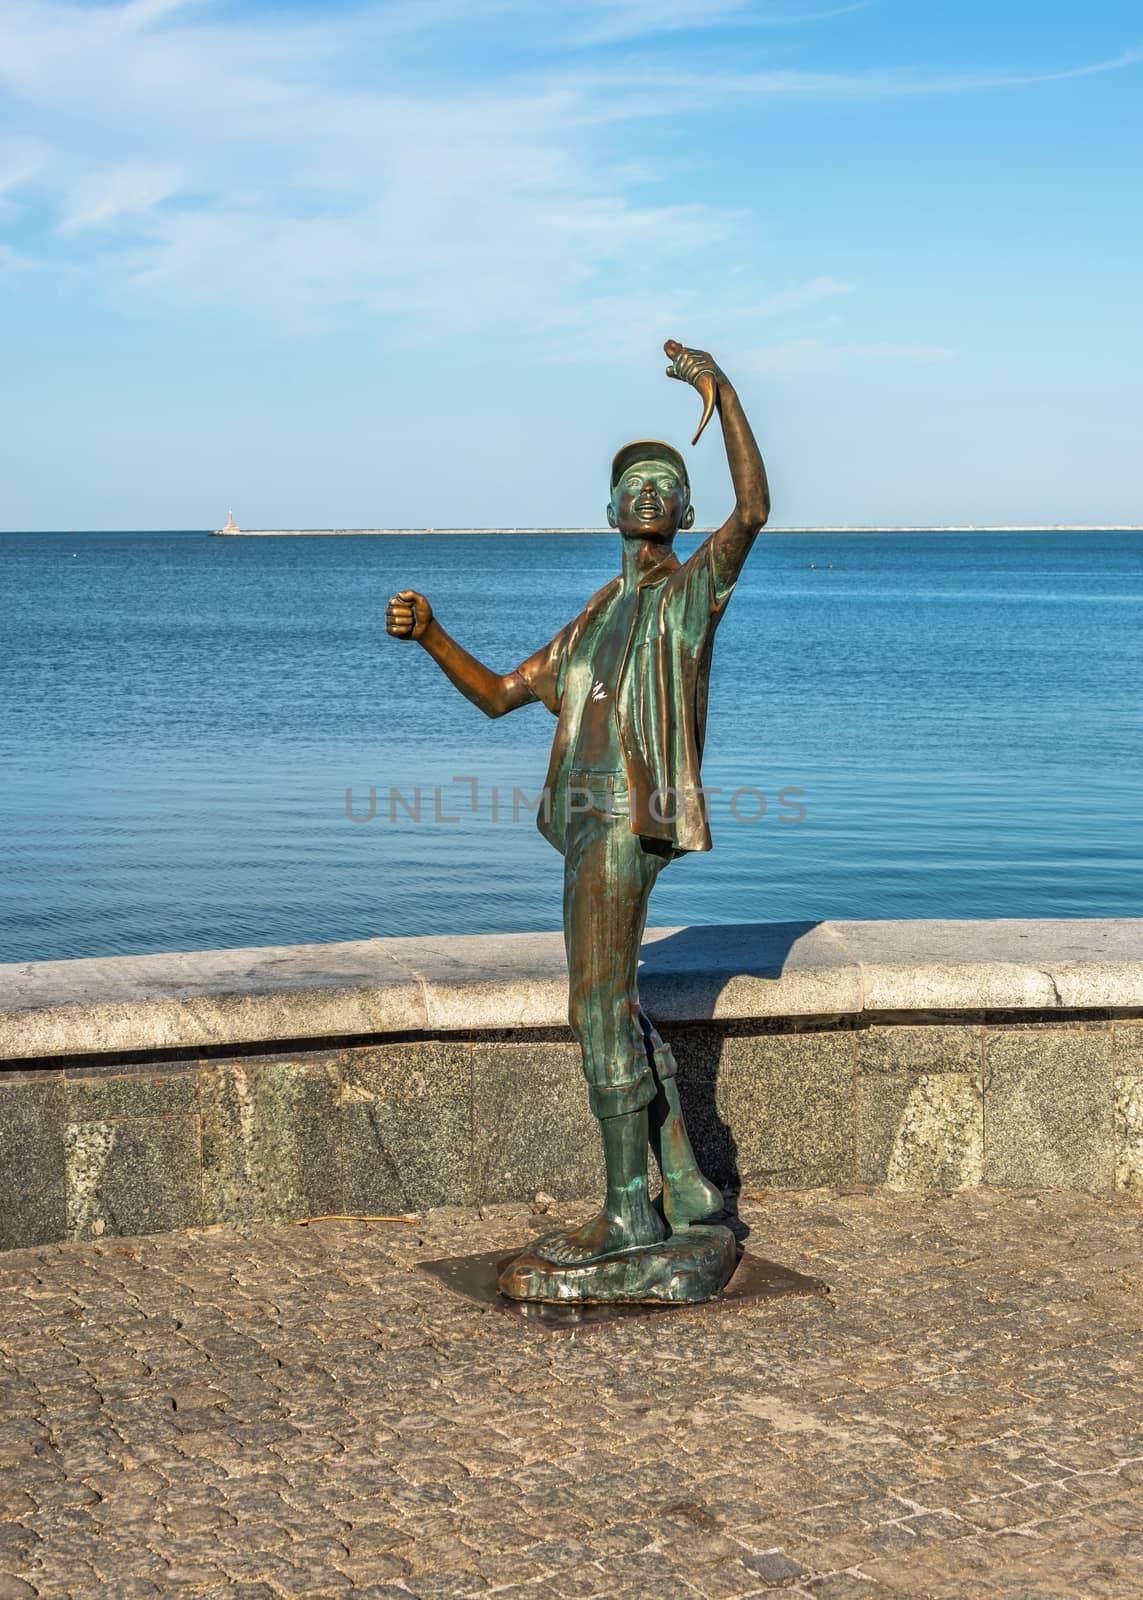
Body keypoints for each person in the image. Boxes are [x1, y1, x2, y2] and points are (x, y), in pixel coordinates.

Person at [386, 341, 770, 1270]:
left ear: (680, 513)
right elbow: (498, 694)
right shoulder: (592, 617)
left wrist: (722, 395)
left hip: (626, 817)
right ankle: (682, 1184)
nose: (646, 493)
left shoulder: (690, 595)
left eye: (661, 484)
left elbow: (753, 509)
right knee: (614, 1002)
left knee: (594, 1006)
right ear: (608, 511)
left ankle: (626, 1214)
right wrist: (433, 635)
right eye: (631, 483)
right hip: (582, 819)